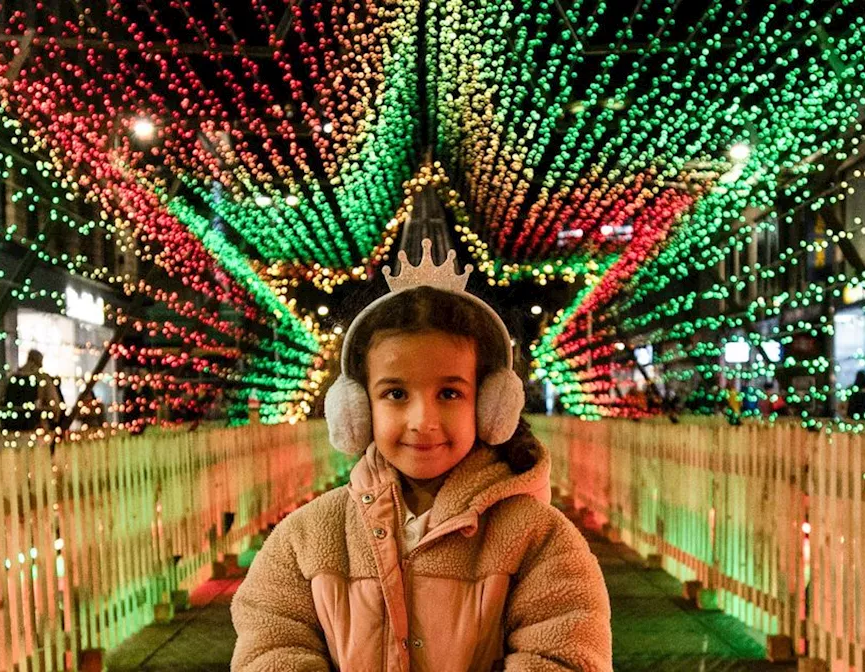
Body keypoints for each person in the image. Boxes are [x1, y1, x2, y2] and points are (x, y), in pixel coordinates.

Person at [231, 242, 611, 670]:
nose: (422, 420)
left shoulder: (538, 541)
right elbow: (270, 645)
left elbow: (565, 656)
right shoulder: (307, 538)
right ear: (357, 409)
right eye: (396, 394)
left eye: (449, 393)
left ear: (489, 406)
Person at [2, 350, 64, 432]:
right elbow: (53, 403)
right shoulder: (42, 378)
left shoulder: (14, 377)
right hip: (36, 426)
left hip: (12, 426)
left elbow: (4, 399)